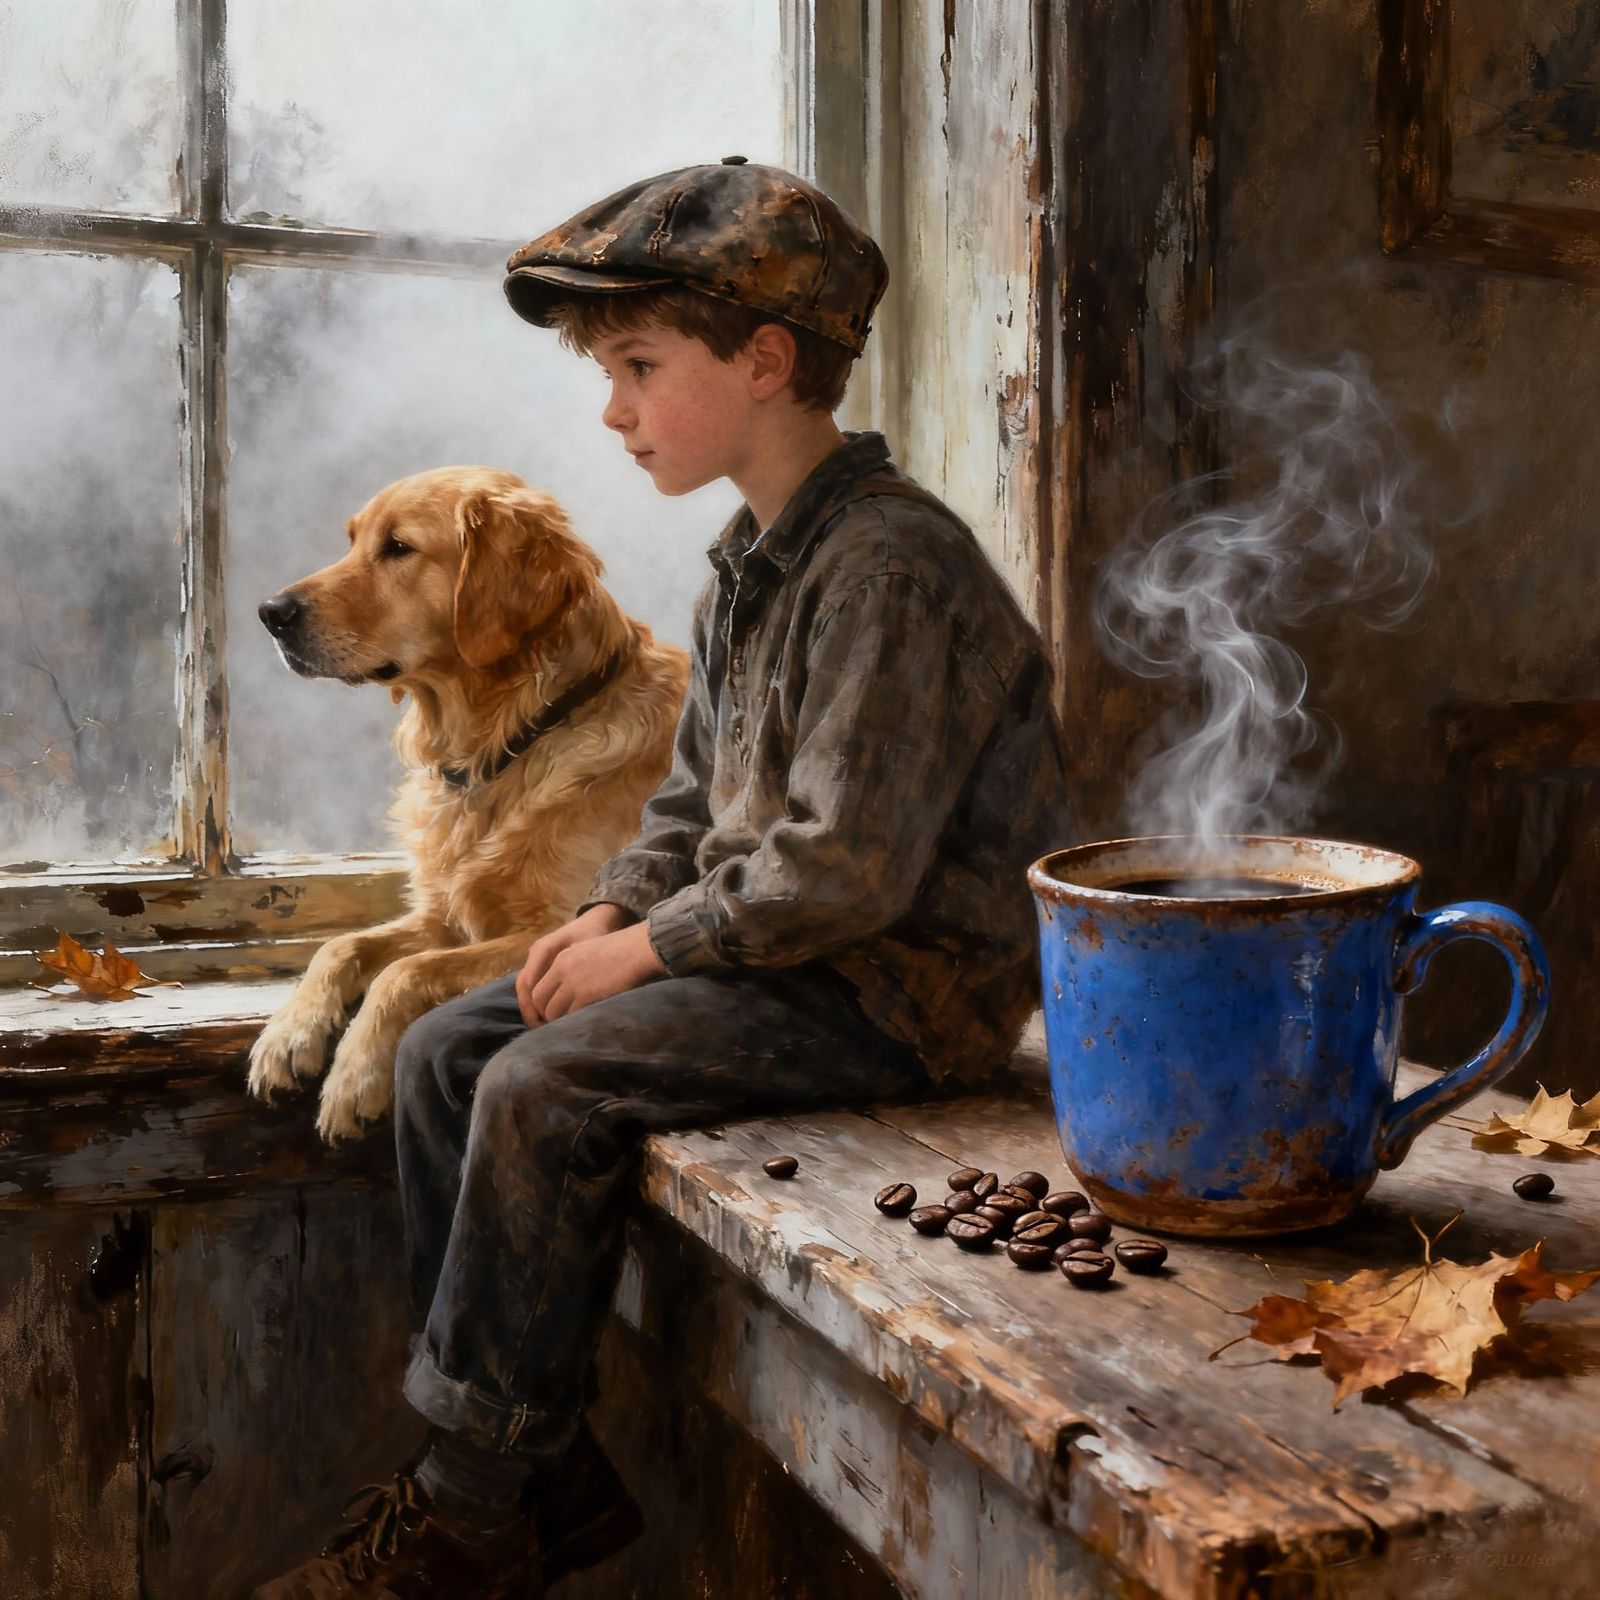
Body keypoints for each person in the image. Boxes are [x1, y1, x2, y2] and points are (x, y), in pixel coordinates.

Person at [254, 157, 1070, 1599]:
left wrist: (646, 951)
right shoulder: (750, 565)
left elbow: (846, 869)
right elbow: (692, 805)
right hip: (776, 957)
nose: (613, 410)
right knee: (446, 1051)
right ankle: (543, 1473)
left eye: (637, 367)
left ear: (764, 362)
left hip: (887, 994)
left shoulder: (888, 568)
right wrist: (611, 909)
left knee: (535, 1081)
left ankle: (468, 1515)